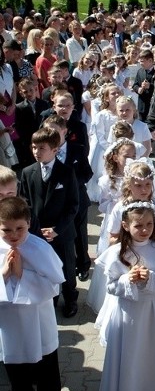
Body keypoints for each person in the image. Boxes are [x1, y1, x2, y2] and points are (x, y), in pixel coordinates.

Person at [95, 201, 155, 391]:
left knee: (153, 354)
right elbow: (110, 286)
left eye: (149, 225)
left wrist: (150, 279)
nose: (145, 230)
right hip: (127, 314)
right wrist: (128, 279)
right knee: (129, 355)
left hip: (153, 313)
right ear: (126, 226)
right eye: (138, 225)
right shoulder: (117, 252)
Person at [0, 196, 65, 391]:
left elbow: (54, 286)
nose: (14, 235)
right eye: (6, 229)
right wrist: (3, 274)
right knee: (19, 382)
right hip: (10, 327)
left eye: (19, 228)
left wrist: (22, 275)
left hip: (39, 324)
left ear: (28, 223)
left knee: (48, 378)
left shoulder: (40, 247)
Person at [19, 127, 79, 318]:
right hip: (38, 232)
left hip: (62, 232)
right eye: (34, 147)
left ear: (54, 149)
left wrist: (56, 230)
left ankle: (70, 299)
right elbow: (25, 202)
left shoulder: (67, 173)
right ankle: (49, 300)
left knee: (68, 269)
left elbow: (73, 206)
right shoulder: (28, 172)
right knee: (43, 268)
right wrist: (36, 229)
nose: (36, 151)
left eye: (42, 148)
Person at [43, 115, 93, 282]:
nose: (51, 134)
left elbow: (87, 172)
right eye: (47, 130)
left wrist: (71, 183)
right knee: (60, 235)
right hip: (55, 205)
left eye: (55, 131)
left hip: (77, 199)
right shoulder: (44, 151)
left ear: (64, 131)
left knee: (80, 234)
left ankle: (83, 265)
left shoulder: (77, 149)